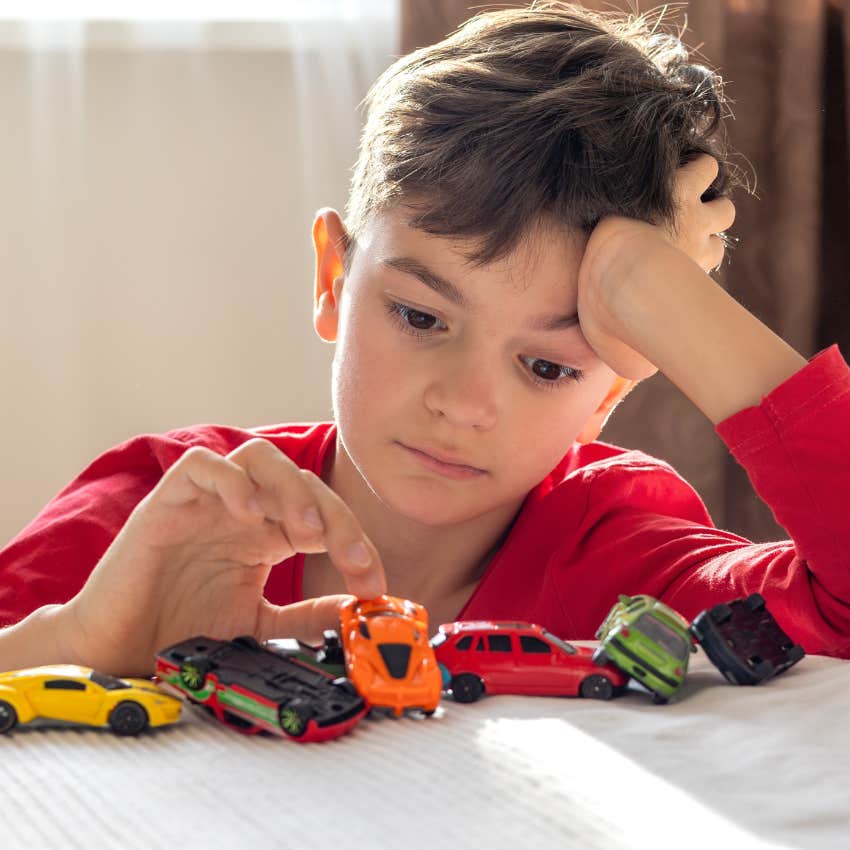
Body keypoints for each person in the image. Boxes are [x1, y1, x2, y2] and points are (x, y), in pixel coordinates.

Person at [2, 1, 849, 677]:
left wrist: (662, 295)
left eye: (547, 365)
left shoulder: (620, 558)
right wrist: (76, 640)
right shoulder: (169, 513)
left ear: (614, 391)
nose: (464, 404)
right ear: (334, 279)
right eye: (419, 317)